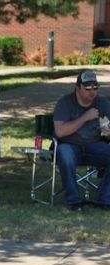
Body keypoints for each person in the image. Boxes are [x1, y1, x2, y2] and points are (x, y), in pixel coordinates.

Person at [53, 70, 110, 212]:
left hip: (94, 146)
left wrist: (108, 132)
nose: (92, 92)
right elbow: (60, 132)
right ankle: (75, 201)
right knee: (64, 153)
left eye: (95, 87)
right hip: (70, 146)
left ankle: (105, 199)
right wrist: (85, 117)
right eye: (87, 88)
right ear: (77, 88)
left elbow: (107, 134)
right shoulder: (65, 103)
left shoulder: (102, 104)